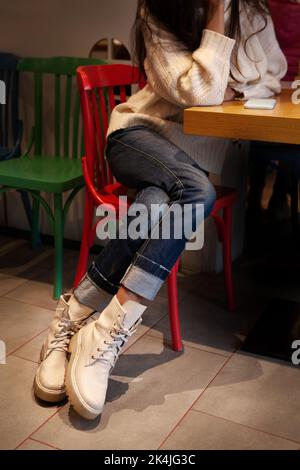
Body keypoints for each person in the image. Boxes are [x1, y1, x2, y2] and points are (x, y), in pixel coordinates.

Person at [34, 0, 287, 420]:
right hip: (137, 139)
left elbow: (274, 75)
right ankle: (108, 328)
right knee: (198, 193)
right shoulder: (162, 8)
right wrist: (215, 17)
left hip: (188, 164)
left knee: (154, 204)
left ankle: (78, 317)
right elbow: (200, 92)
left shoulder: (254, 13)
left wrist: (235, 88)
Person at [247, 0, 300, 220]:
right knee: (291, 137)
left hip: (264, 81)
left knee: (258, 134)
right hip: (292, 83)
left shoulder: (264, 5)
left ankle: (254, 197)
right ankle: (279, 197)